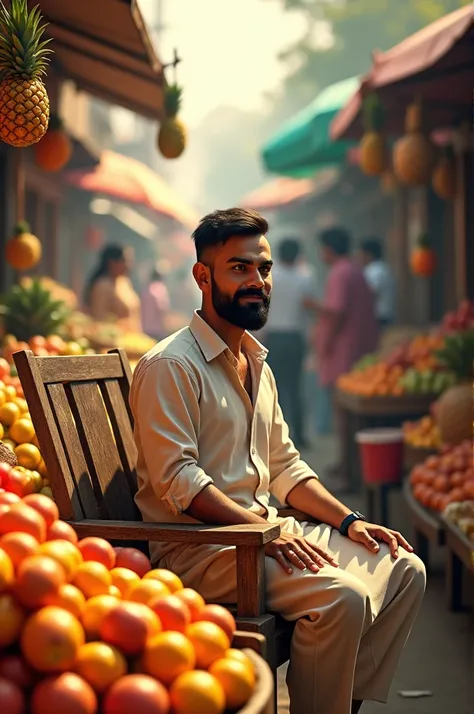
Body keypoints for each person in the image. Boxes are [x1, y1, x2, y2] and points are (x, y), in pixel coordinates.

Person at [130, 208, 425, 714]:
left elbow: (286, 466)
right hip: (202, 551)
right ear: (203, 276)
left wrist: (350, 521)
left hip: (263, 534)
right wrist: (265, 533)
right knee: (342, 598)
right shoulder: (169, 366)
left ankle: (335, 704)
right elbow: (179, 480)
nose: (258, 281)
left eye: (262, 269)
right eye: (239, 268)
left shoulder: (256, 362)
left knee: (404, 569)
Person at [306, 227, 378, 487]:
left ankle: (349, 473)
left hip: (343, 352)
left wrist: (324, 343)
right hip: (359, 350)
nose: (321, 253)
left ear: (330, 249)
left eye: (322, 248)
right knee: (352, 416)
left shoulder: (340, 273)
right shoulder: (355, 270)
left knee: (344, 417)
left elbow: (336, 314)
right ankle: (350, 466)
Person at [263, 237, 315, 449]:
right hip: (295, 338)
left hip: (274, 337)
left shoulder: (269, 277)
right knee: (295, 388)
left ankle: (275, 437)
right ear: (298, 255)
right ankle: (299, 436)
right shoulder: (306, 277)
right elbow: (308, 311)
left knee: (272, 387)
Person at [85, 244, 142, 332]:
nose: (128, 265)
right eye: (124, 261)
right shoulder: (103, 285)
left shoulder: (125, 282)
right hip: (115, 341)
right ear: (111, 263)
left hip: (133, 339)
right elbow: (99, 319)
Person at [359, 238, 395, 329]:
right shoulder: (383, 268)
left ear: (369, 255)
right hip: (385, 316)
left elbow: (369, 293)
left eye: (361, 254)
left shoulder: (374, 270)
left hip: (378, 318)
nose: (359, 258)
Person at [141, 267, 170, 341]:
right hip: (158, 330)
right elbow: (162, 308)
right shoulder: (160, 288)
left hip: (145, 329)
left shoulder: (146, 289)